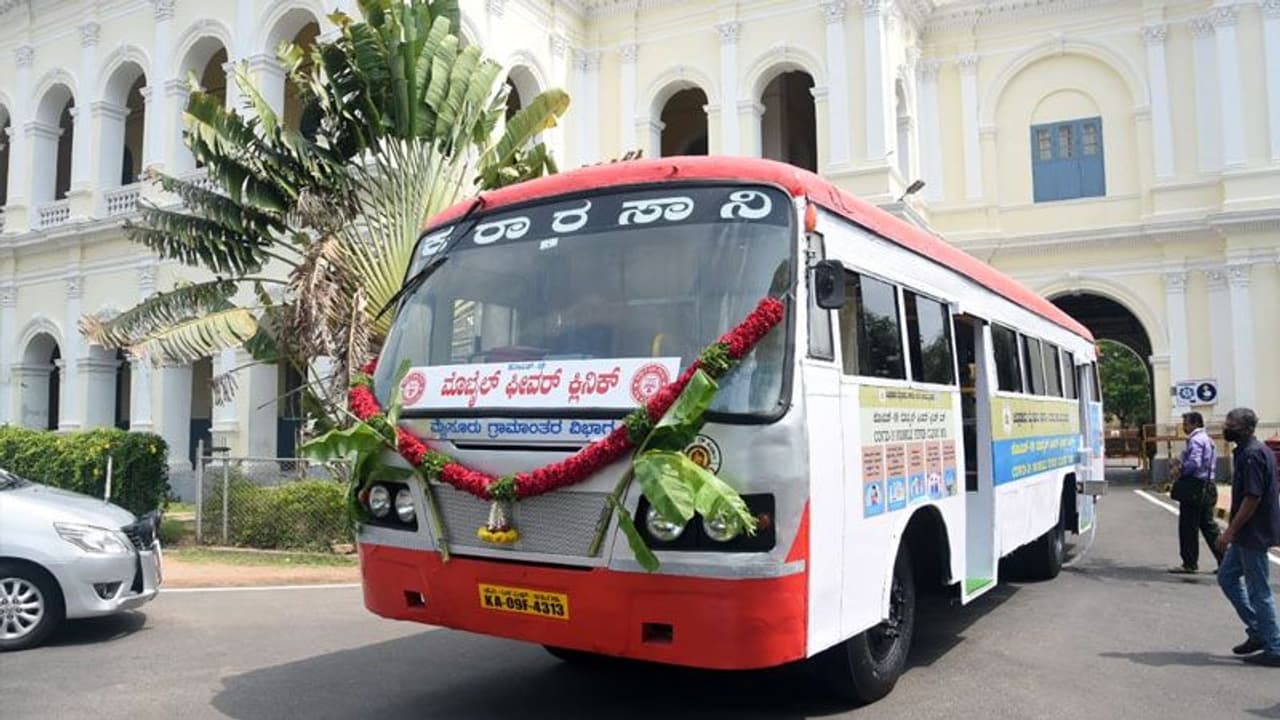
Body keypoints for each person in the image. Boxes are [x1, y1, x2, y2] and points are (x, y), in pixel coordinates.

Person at [1214, 407, 1280, 666]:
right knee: (1227, 577)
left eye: (1231, 424)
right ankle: (1258, 630)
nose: (1226, 427)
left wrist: (1230, 532)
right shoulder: (1247, 451)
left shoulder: (1253, 455)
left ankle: (1274, 646)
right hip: (1245, 534)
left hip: (1252, 533)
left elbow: (1253, 498)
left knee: (1259, 591)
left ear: (1246, 428)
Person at [1168, 412, 1222, 574]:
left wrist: (1181, 470)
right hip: (1208, 486)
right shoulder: (1208, 439)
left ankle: (1189, 563)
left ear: (1194, 424)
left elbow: (1195, 463)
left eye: (1186, 423)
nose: (1184, 427)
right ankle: (1225, 560)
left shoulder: (1196, 440)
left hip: (1195, 487)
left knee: (1188, 526)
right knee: (1208, 526)